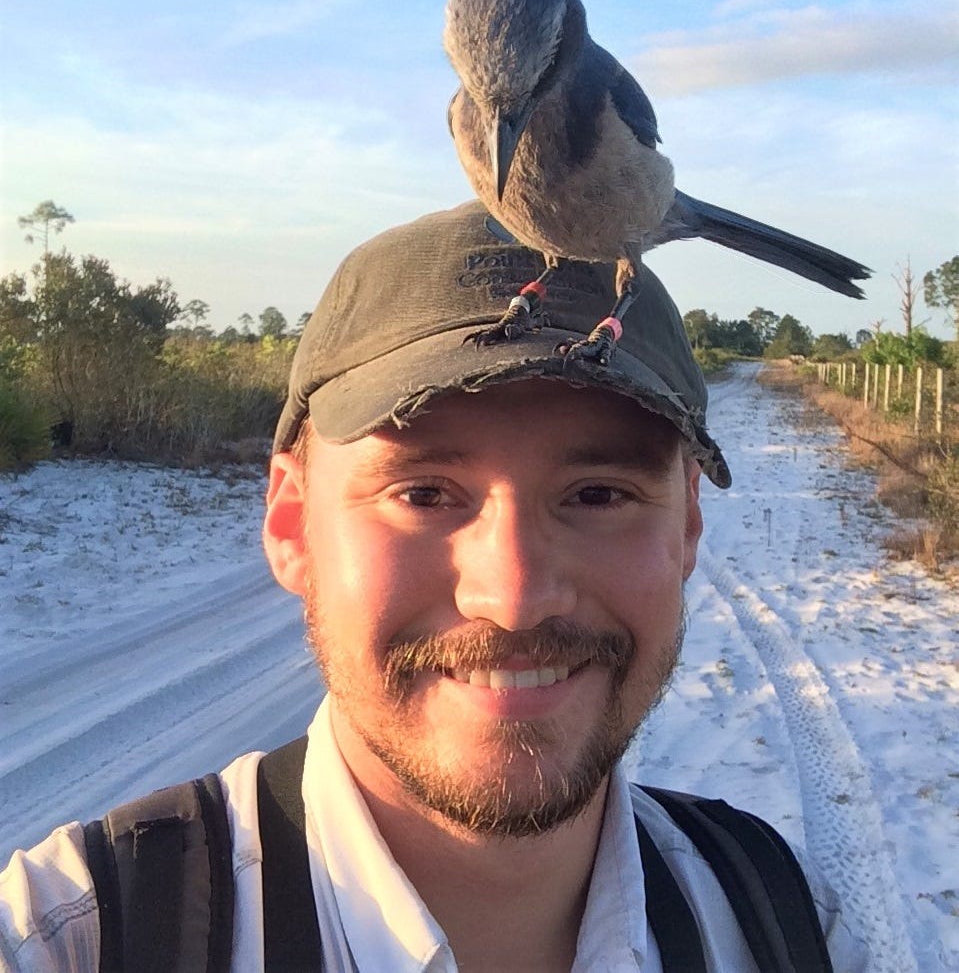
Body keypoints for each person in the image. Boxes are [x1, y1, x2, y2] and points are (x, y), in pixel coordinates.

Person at [1, 201, 871, 971]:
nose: (515, 594)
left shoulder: (790, 930)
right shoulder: (74, 936)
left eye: (598, 494)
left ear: (685, 529)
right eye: (422, 494)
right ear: (291, 526)